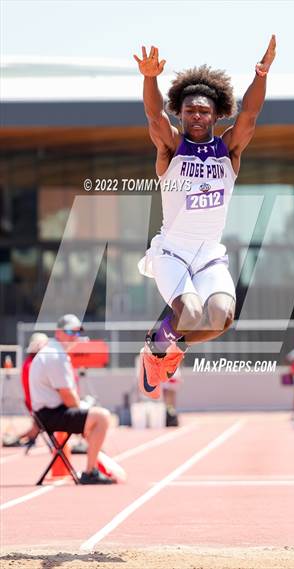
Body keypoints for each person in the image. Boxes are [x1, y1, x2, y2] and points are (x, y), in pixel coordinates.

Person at [133, 36, 277, 399]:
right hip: (173, 253)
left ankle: (162, 347)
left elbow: (251, 115)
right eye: (190, 111)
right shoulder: (171, 147)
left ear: (216, 114)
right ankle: (163, 344)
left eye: (204, 111)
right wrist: (149, 79)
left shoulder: (228, 150)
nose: (197, 116)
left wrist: (261, 74)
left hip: (210, 254)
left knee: (223, 318)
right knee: (193, 313)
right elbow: (153, 115)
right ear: (180, 114)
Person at [29, 314, 115, 484]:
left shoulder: (53, 352)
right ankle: (91, 471)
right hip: (51, 415)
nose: (74, 336)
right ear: (58, 332)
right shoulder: (56, 355)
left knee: (92, 417)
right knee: (102, 417)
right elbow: (69, 398)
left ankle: (96, 466)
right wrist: (85, 409)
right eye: (70, 331)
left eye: (77, 332)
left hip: (48, 413)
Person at [2, 333, 49, 448]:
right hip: (37, 403)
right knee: (40, 426)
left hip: (37, 402)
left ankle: (21, 438)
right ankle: (15, 438)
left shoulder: (33, 362)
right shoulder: (32, 364)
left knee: (37, 427)